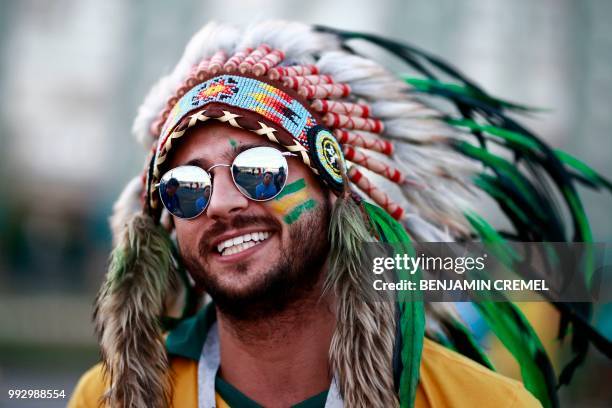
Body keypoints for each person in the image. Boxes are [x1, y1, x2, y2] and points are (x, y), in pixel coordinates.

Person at [69, 21, 611, 408]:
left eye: (259, 168)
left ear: (335, 188)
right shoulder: (109, 397)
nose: (224, 202)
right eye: (187, 186)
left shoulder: (481, 402)